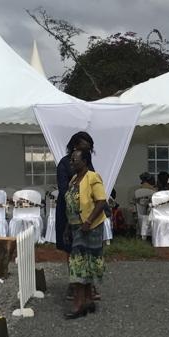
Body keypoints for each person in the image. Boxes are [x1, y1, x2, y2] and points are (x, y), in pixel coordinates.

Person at [64, 147, 107, 319]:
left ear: (85, 161)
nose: (71, 162)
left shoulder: (92, 177)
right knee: (84, 263)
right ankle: (88, 301)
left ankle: (78, 304)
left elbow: (101, 201)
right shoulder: (74, 179)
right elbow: (71, 206)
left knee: (78, 264)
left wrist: (88, 221)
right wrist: (67, 227)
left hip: (90, 227)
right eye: (71, 159)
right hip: (75, 227)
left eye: (74, 159)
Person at [55, 131, 94, 253]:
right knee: (71, 247)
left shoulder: (87, 163)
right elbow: (63, 190)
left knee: (86, 247)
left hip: (86, 212)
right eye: (84, 147)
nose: (87, 150)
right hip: (68, 211)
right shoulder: (64, 163)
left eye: (89, 148)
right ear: (75, 146)